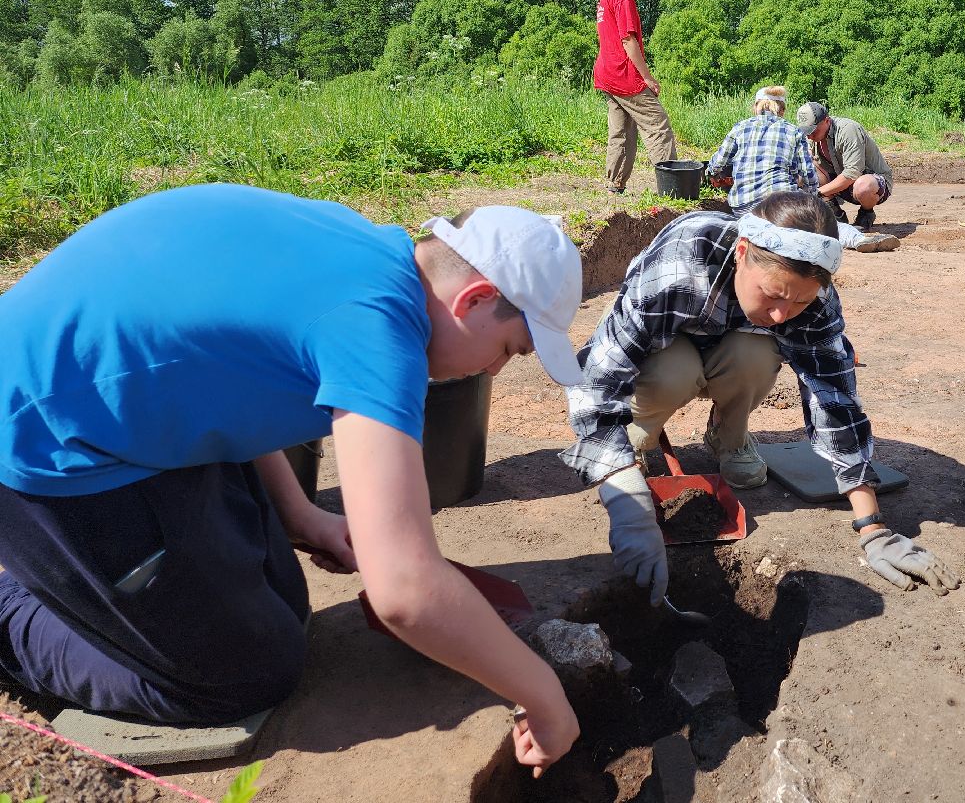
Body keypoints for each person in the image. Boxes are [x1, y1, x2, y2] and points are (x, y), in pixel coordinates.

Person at [0, 185, 583, 777]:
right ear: (476, 298)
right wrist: (545, 696)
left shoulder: (366, 251)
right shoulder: (376, 333)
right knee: (243, 675)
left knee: (283, 600)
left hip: (122, 407)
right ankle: (14, 618)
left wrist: (302, 516)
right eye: (509, 349)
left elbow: (238, 378)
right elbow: (405, 591)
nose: (493, 370)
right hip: (46, 440)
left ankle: (86, 585)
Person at [562, 192, 959, 603]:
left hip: (734, 352)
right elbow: (598, 375)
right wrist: (622, 491)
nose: (780, 315)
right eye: (772, 294)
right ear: (743, 251)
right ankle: (636, 437)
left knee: (758, 349)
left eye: (799, 302)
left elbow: (834, 399)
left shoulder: (814, 302)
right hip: (664, 352)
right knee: (671, 373)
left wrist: (873, 528)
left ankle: (728, 437)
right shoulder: (682, 264)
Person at [707, 86, 899, 253]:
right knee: (818, 226)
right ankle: (857, 238)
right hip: (782, 204)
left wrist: (713, 176)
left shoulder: (739, 128)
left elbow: (717, 164)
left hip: (744, 206)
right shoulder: (793, 132)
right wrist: (809, 197)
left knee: (749, 226)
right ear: (782, 110)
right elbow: (808, 177)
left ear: (756, 107)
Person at [594, 0, 678, 194]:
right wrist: (647, 77)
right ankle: (673, 187)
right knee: (658, 125)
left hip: (607, 72)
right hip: (624, 74)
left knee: (622, 131)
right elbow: (628, 40)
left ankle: (615, 183)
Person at [794, 102, 894, 232]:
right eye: (806, 132)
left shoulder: (848, 130)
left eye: (813, 131)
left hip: (871, 184)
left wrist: (817, 193)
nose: (809, 136)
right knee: (807, 170)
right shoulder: (812, 137)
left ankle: (866, 213)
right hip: (841, 181)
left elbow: (853, 173)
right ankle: (836, 214)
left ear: (826, 120)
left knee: (863, 186)